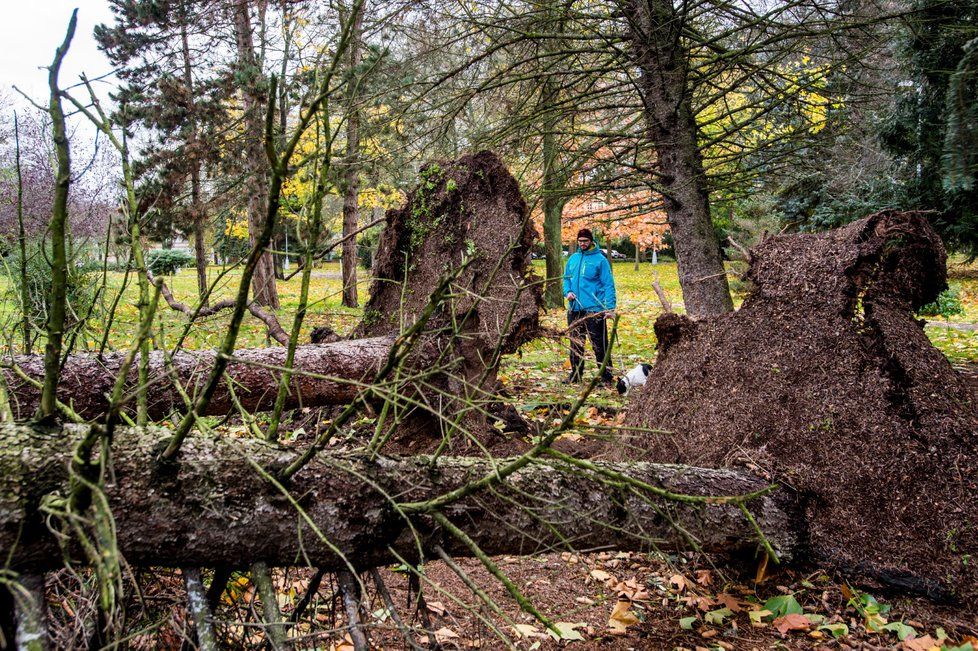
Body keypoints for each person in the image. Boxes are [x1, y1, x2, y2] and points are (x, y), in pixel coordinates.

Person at [563, 228, 617, 384]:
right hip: (575, 309)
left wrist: (609, 308)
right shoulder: (572, 259)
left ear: (591, 241)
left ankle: (606, 376)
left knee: (599, 344)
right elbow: (566, 279)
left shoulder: (600, 260)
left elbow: (608, 285)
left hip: (595, 310)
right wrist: (568, 292)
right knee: (575, 343)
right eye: (580, 241)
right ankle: (576, 375)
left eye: (585, 241)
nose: (582, 244)